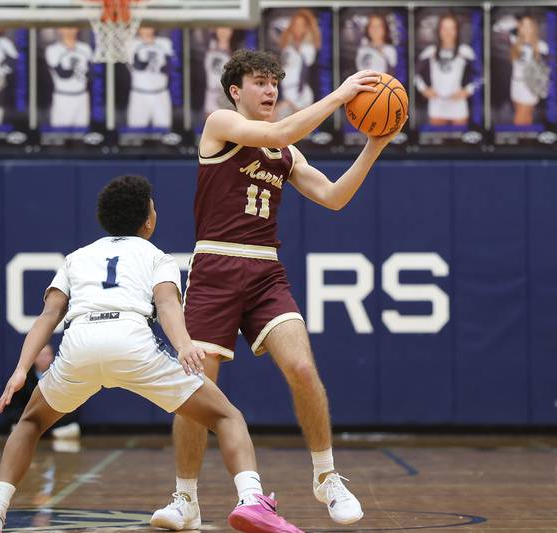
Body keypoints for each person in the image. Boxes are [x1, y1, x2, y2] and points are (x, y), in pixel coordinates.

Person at [150, 50, 404, 530]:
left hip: (265, 269)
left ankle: (326, 476)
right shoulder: (221, 123)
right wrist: (340, 96)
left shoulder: (288, 152)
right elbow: (276, 132)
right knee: (198, 387)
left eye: (274, 83)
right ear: (235, 91)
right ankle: (185, 498)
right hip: (216, 265)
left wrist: (374, 145)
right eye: (260, 82)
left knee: (303, 368)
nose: (270, 91)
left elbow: (333, 197)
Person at [0, 175, 303, 533]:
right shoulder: (157, 257)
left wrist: (22, 369)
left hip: (80, 343)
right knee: (226, 416)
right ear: (148, 220)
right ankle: (251, 499)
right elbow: (167, 305)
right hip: (131, 341)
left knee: (31, 423)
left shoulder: (76, 257)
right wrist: (184, 345)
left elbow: (49, 315)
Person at [4, 344, 81, 442]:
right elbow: (14, 407)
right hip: (30, 421)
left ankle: (44, 434)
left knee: (73, 429)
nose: (43, 359)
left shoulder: (62, 377)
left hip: (55, 424)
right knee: (15, 429)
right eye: (40, 355)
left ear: (53, 357)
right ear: (34, 358)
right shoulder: (23, 379)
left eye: (46, 355)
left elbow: (72, 406)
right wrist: (30, 420)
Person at [415, 13, 477, 127]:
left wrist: (467, 90)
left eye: (451, 28)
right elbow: (415, 74)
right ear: (439, 30)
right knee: (437, 137)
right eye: (444, 28)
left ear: (457, 31)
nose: (448, 32)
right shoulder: (430, 51)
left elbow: (480, 76)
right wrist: (424, 90)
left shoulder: (465, 51)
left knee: (460, 138)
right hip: (437, 105)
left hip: (458, 106)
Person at [493, 14, 549, 126]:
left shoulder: (541, 46)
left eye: (529, 25)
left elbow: (546, 69)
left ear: (534, 28)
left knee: (519, 120)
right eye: (523, 25)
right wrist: (515, 23)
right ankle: (527, 137)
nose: (526, 28)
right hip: (515, 84)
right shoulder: (515, 40)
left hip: (529, 87)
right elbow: (496, 28)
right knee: (526, 117)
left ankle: (517, 137)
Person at [276, 9, 320, 119]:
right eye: (295, 24)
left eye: (301, 25)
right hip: (285, 91)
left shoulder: (308, 48)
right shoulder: (287, 48)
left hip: (301, 93)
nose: (297, 28)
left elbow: (306, 63)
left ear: (306, 28)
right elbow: (283, 70)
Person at [127, 26, 173, 129]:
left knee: (164, 129)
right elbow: (138, 66)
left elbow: (169, 67)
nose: (147, 30)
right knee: (136, 130)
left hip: (160, 93)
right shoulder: (132, 44)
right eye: (143, 27)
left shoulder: (165, 43)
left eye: (149, 26)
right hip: (139, 94)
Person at [45, 27, 91, 128]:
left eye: (72, 26)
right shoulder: (52, 49)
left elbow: (90, 73)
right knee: (60, 134)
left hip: (82, 96)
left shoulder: (86, 48)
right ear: (59, 29)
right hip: (63, 97)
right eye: (66, 26)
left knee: (81, 133)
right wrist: (75, 67)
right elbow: (63, 74)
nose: (69, 29)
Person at [203, 27, 234, 117]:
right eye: (221, 28)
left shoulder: (235, 50)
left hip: (226, 95)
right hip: (210, 93)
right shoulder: (208, 46)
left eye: (227, 28)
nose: (223, 32)